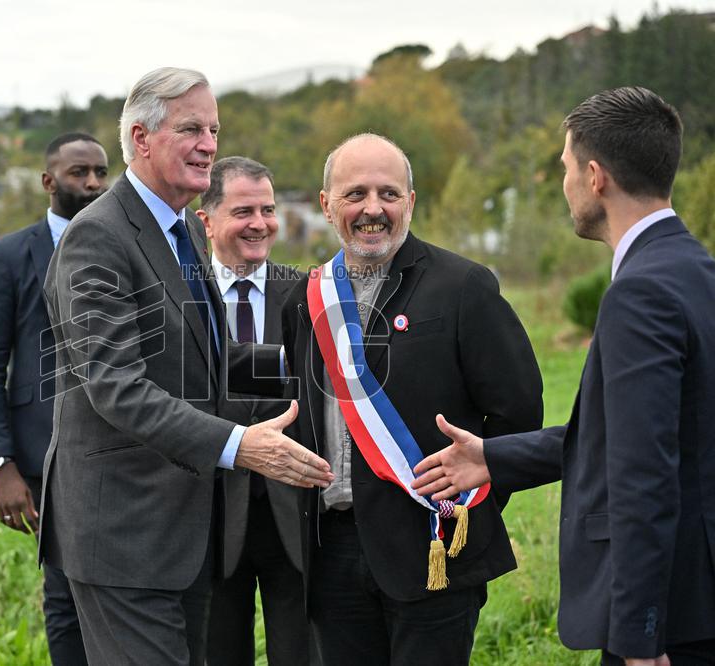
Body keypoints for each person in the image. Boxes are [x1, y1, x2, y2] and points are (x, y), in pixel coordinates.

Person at [39, 67, 333, 666]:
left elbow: (211, 367)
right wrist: (239, 445)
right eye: (191, 128)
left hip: (185, 536)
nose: (209, 144)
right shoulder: (99, 236)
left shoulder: (180, 234)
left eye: (214, 129)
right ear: (141, 138)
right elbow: (115, 385)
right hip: (125, 535)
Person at [412, 87, 715, 666]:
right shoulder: (697, 271)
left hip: (670, 622)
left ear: (596, 176)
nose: (565, 184)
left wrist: (638, 634)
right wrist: (493, 457)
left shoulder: (640, 293)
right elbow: (635, 432)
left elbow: (643, 471)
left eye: (566, 168)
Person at [280, 133, 543, 665]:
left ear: (411, 202)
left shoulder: (464, 286)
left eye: (389, 193)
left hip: (433, 543)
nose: (372, 209)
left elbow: (519, 413)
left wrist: (468, 504)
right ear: (326, 204)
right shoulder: (302, 300)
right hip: (331, 553)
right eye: (355, 194)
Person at [0, 131, 108, 665]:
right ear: (49, 182)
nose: (93, 183)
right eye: (79, 173)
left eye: (100, 171)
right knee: (65, 590)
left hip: (120, 443)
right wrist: (2, 463)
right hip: (42, 453)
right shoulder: (8, 256)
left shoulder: (123, 248)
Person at [196, 157, 310, 666]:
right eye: (244, 210)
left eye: (268, 209)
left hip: (296, 515)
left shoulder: (311, 293)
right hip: (207, 514)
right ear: (207, 220)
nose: (260, 223)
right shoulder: (180, 295)